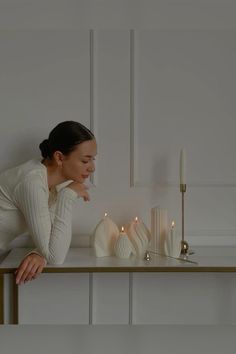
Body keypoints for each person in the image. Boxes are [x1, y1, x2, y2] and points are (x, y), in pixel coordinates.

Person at [0, 121, 97, 285]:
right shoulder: (32, 182)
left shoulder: (54, 182)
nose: (92, 168)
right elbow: (55, 256)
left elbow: (52, 244)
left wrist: (39, 254)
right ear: (59, 157)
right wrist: (67, 196)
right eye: (85, 160)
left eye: (93, 159)